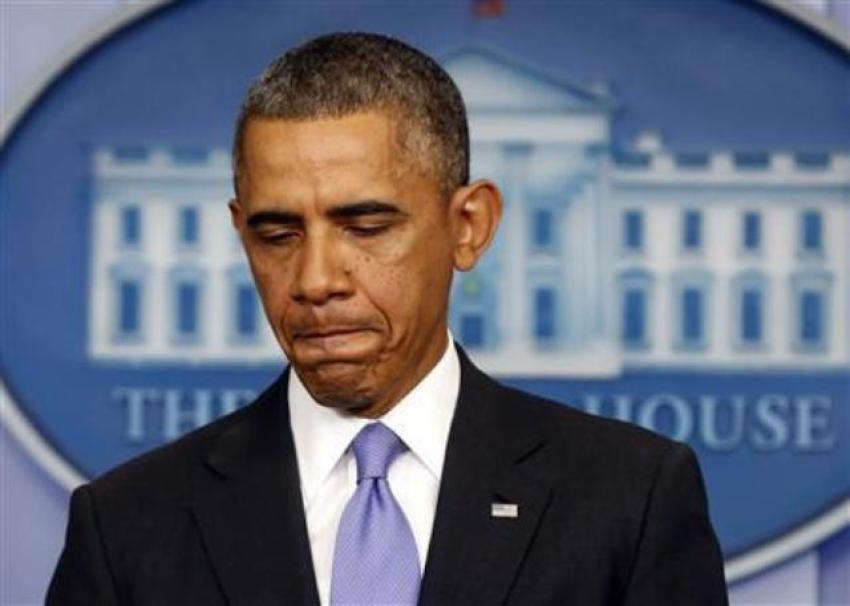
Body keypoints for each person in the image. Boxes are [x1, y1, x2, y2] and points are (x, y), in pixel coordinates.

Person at [47, 32, 728, 605]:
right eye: (277, 235)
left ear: (469, 226)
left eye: (366, 227)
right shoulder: (125, 527)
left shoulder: (629, 500)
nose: (316, 280)